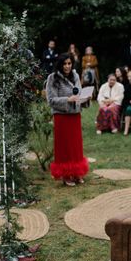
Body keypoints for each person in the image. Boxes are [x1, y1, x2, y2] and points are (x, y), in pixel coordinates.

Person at [45, 54, 89, 186]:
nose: (67, 66)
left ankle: (76, 173)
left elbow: (79, 93)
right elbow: (51, 100)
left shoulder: (75, 76)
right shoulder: (52, 78)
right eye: (65, 64)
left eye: (69, 63)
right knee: (64, 147)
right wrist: (67, 100)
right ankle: (66, 175)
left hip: (75, 115)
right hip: (61, 116)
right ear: (60, 64)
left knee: (75, 146)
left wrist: (85, 98)